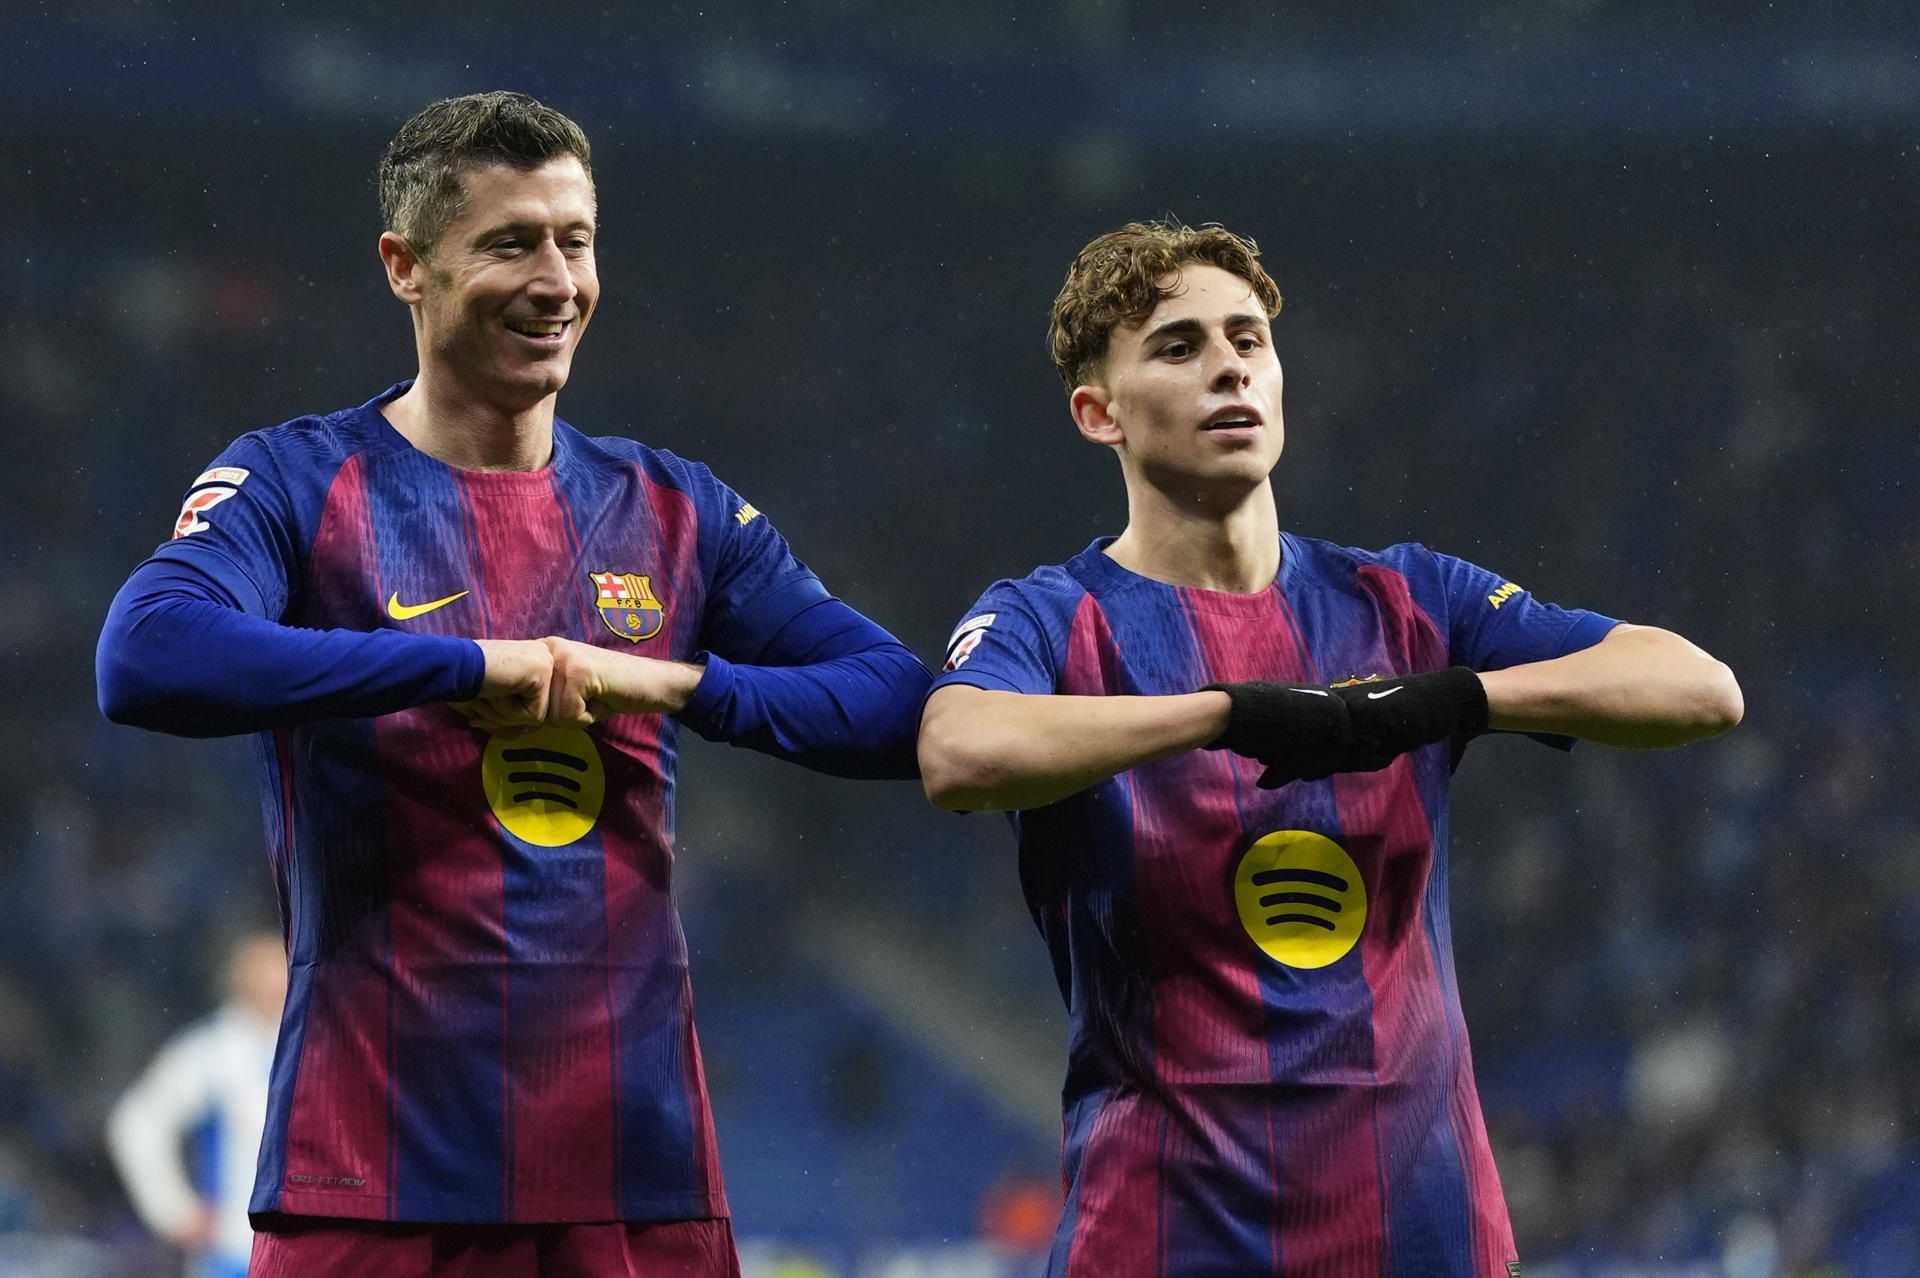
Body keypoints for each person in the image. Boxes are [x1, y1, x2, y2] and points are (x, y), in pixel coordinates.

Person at [96, 91, 930, 1278]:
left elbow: (900, 706)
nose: (557, 279)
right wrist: (467, 666)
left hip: (636, 1185)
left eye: (575, 241)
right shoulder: (296, 481)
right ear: (405, 268)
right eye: (510, 243)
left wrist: (674, 686)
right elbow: (146, 654)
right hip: (368, 1181)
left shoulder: (675, 508)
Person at [916, 220, 1743, 1277]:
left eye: (1249, 339)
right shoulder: (1051, 617)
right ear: (1098, 412)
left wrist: (1442, 700)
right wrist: (1235, 712)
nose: (1228, 366)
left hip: (1421, 1229)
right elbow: (960, 753)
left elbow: (1698, 688)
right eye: (1177, 348)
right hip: (1167, 1230)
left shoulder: (1405, 598)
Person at [107, 933, 287, 1278]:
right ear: (239, 976)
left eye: (278, 965)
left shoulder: (318, 1044)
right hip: (232, 1253)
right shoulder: (211, 1053)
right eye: (260, 967)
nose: (272, 978)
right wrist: (174, 1210)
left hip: (308, 1248)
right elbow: (138, 1123)